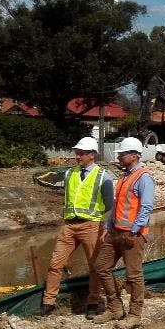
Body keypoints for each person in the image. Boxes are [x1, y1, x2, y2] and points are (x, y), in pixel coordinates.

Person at [39, 136, 114, 318]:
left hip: (92, 226)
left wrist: (105, 227)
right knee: (55, 263)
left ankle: (93, 302)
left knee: (94, 266)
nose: (77, 156)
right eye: (77, 153)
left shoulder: (103, 176)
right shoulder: (69, 173)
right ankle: (48, 303)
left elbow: (110, 205)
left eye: (81, 153)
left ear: (92, 155)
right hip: (70, 226)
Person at [91, 136, 156, 329]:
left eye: (122, 154)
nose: (119, 156)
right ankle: (115, 308)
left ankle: (135, 315)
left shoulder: (144, 177)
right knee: (101, 266)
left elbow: (146, 207)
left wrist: (134, 231)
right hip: (115, 232)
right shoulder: (124, 176)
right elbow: (117, 205)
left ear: (135, 156)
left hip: (132, 236)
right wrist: (108, 228)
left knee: (134, 275)